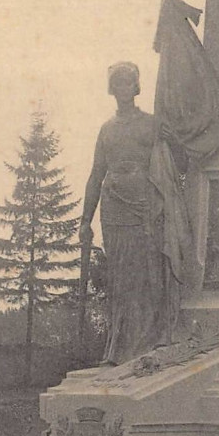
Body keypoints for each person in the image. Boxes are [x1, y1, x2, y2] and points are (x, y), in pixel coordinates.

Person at [79, 61, 186, 366]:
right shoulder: (106, 129)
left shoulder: (152, 124)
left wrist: (174, 140)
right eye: (118, 83)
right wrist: (85, 220)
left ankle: (150, 340)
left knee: (149, 272)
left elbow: (180, 163)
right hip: (114, 207)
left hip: (146, 204)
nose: (123, 88)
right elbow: (95, 175)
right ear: (112, 89)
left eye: (128, 82)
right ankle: (117, 348)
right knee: (120, 276)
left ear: (136, 87)